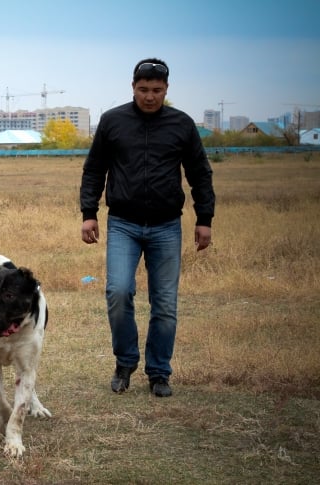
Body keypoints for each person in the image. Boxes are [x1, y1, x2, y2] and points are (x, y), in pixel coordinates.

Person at [80, 58, 215, 398]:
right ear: (133, 87)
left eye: (156, 90)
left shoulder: (181, 124)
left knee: (165, 303)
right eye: (143, 90)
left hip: (167, 226)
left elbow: (199, 173)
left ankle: (159, 373)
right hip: (123, 224)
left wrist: (204, 219)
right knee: (118, 292)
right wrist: (89, 212)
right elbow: (94, 168)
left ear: (167, 89)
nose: (150, 97)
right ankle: (124, 363)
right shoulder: (113, 121)